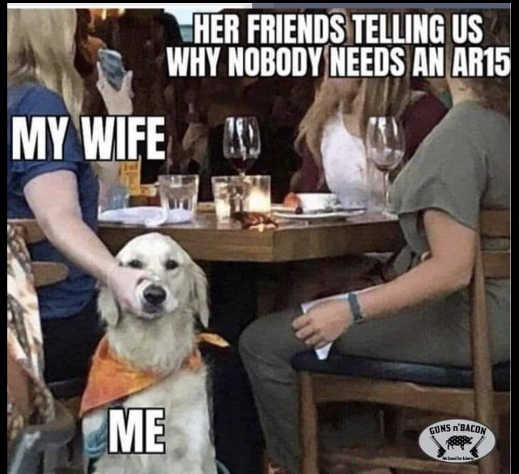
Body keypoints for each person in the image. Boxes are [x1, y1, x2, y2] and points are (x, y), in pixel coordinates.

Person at [239, 11, 510, 474]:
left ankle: (299, 465)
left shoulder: (458, 135)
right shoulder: (498, 124)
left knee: (263, 341)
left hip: (474, 326)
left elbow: (451, 270)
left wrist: (350, 309)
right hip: (500, 319)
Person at [7, 9, 151, 384]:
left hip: (26, 324)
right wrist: (116, 274)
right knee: (199, 347)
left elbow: (93, 199)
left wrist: (119, 115)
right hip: (49, 324)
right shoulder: (36, 105)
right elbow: (59, 216)